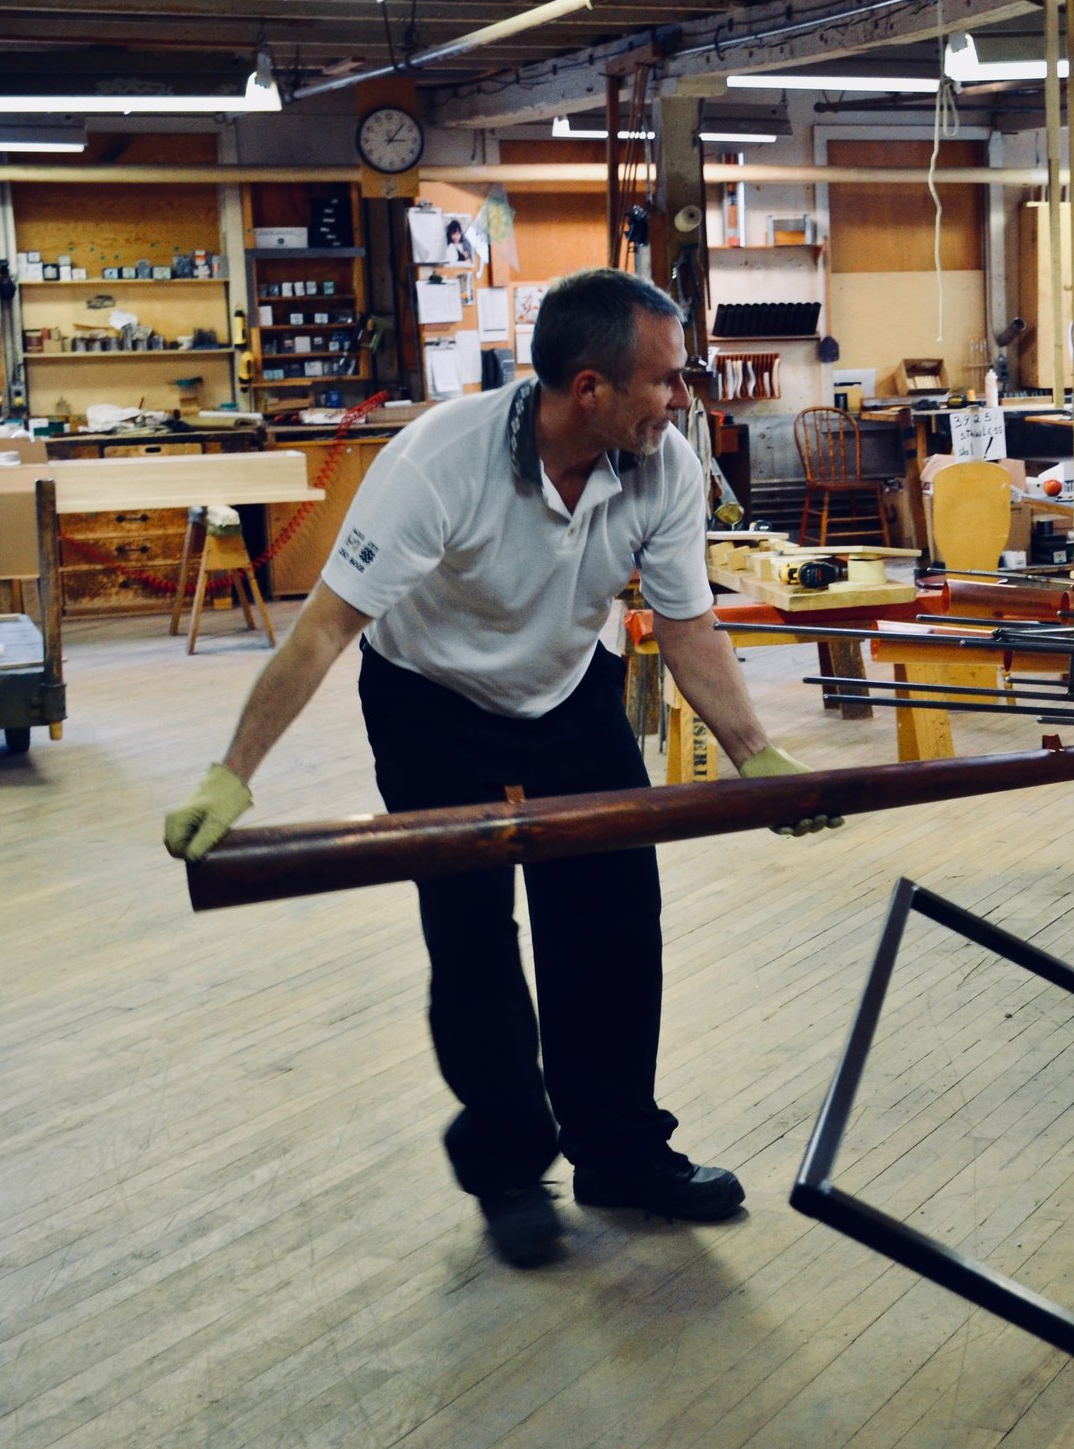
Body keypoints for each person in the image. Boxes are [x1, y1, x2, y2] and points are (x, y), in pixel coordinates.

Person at [163, 268, 830, 1269]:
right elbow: (323, 631)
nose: (681, 398)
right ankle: (511, 1172)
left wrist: (757, 757)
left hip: (569, 692)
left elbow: (688, 626)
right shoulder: (438, 461)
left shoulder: (666, 463)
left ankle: (619, 1156)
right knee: (472, 939)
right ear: (590, 388)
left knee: (610, 926)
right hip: (431, 706)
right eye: (663, 380)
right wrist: (234, 773)